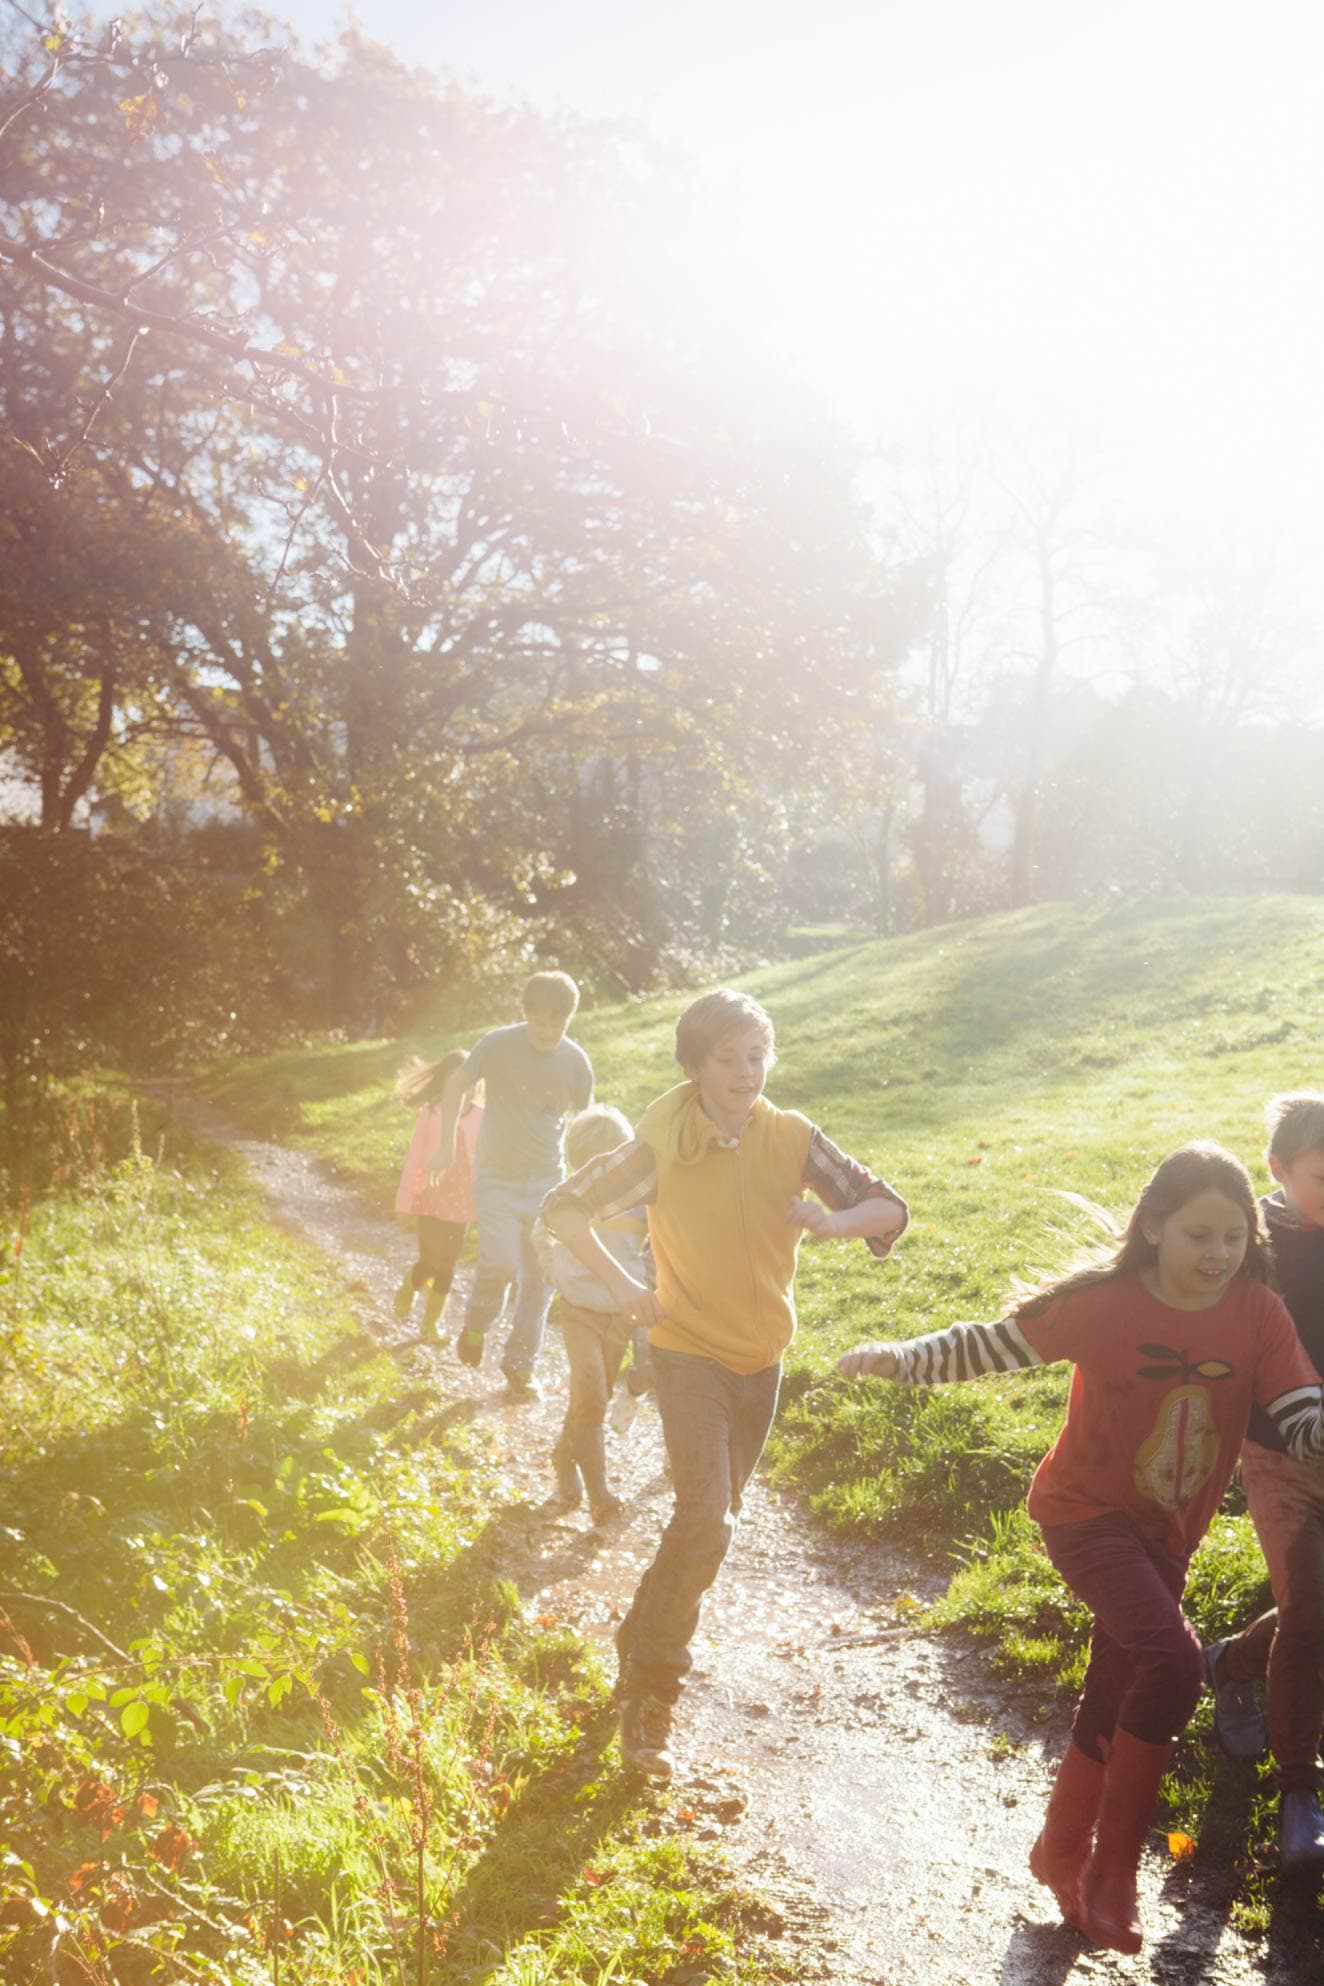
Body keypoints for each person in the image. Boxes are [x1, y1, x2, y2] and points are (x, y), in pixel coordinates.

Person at [837, 1142, 1324, 1956]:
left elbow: (1302, 1407)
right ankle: (1110, 1872)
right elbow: (993, 1344)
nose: (1218, 1254)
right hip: (1086, 1515)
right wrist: (898, 1360)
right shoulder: (1108, 1303)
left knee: (1118, 1684)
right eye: (1200, 1235)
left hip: (1169, 1530)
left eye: (1234, 1237)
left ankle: (1060, 1849)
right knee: (1171, 1658)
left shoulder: (1257, 1312)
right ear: (1157, 1228)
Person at [541, 986, 909, 1783]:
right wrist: (622, 1287)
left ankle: (640, 1631)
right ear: (694, 1065)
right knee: (708, 1516)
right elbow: (564, 1207)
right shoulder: (659, 1144)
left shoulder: (792, 1137)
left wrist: (831, 1222)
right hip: (685, 1352)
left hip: (761, 1359)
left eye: (757, 1056)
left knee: (710, 1523)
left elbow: (887, 1209)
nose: (747, 1073)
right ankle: (652, 1698)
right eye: (728, 1059)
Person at [1203, 1092, 1324, 1873]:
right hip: (1281, 1457)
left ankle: (1232, 1664)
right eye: (1321, 1175)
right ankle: (1298, 1793)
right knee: (1312, 1617)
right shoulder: (1256, 1247)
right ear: (1277, 1172)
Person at [428, 971, 592, 1399]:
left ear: (568, 1020)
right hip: (496, 1177)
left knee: (540, 1279)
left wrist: (584, 1183)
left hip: (547, 1183)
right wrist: (445, 1147)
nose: (547, 1033)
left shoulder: (575, 1062)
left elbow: (585, 1127)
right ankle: (477, 1325)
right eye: (539, 1023)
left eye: (556, 1025)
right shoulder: (497, 1045)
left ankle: (520, 1367)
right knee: (500, 1262)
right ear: (525, 1014)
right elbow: (455, 1084)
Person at [534, 1103, 650, 1526]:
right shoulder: (571, 1199)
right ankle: (599, 1493)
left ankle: (564, 1455)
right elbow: (541, 1232)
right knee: (590, 1389)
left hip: (622, 1315)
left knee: (592, 1398)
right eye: (590, 1162)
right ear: (579, 1162)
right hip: (580, 1311)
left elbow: (655, 1248)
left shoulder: (640, 1205)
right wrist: (556, 1271)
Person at [391, 1052, 481, 1342]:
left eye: (465, 1080)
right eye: (452, 1080)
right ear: (444, 1082)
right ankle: (410, 1286)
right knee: (429, 1260)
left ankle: (430, 1326)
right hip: (431, 1197)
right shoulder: (431, 1113)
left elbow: (489, 1160)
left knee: (447, 1265)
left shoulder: (482, 1115)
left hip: (463, 1202)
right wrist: (404, 1202)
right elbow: (415, 1159)